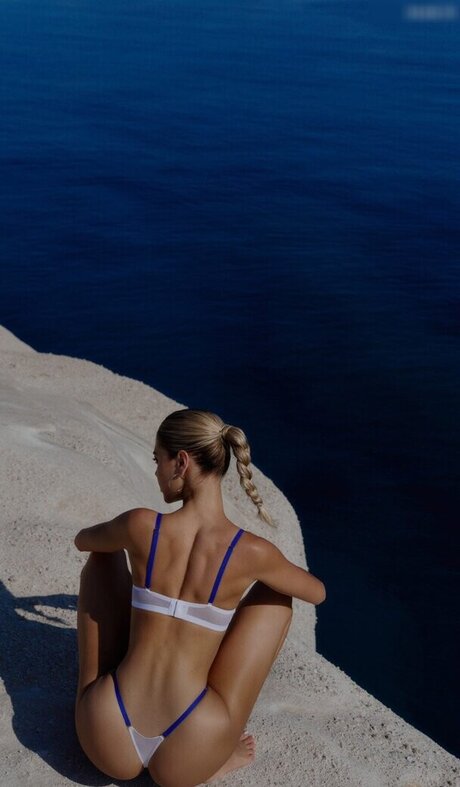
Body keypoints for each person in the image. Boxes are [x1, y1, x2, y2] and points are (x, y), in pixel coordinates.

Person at [74, 409, 326, 786]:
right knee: (277, 595)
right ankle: (219, 757)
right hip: (189, 745)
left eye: (157, 460)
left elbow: (83, 540)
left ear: (181, 462)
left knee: (102, 555)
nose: (156, 472)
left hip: (107, 734)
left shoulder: (141, 525)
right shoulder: (251, 551)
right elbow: (317, 592)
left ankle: (92, 693)